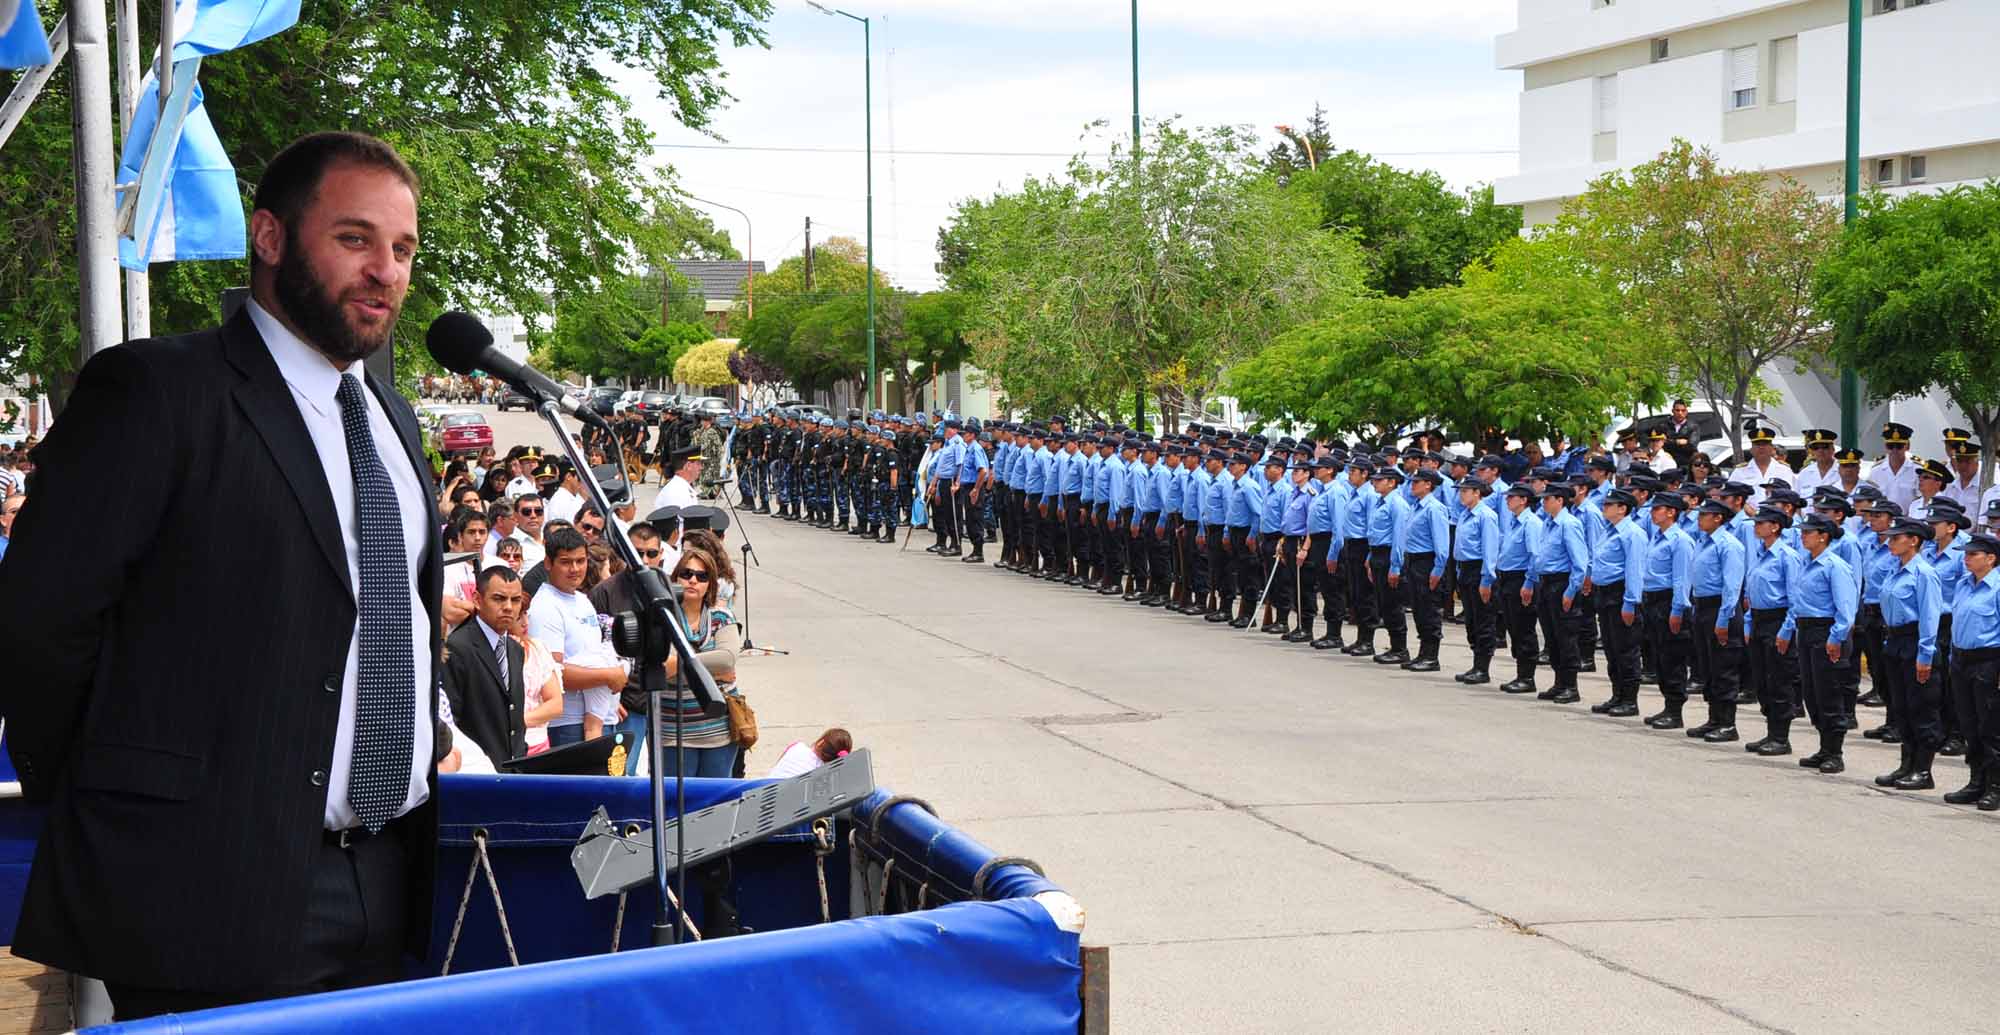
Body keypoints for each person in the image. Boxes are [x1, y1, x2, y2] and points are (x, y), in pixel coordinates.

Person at [0, 131, 441, 1018]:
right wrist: (117, 802)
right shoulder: (157, 391)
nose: (384, 271)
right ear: (270, 236)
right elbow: (38, 625)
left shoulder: (392, 417)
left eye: (401, 249)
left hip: (388, 873)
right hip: (200, 890)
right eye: (354, 238)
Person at [1776, 514, 1860, 774]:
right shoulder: (1806, 563)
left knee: (1830, 692)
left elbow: (1846, 609)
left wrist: (1836, 638)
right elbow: (1798, 602)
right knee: (1812, 694)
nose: (1803, 536)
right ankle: (1824, 747)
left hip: (1827, 631)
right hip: (1806, 630)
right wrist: (1788, 629)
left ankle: (1835, 752)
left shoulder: (1835, 566)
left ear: (1823, 536)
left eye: (1808, 532)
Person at [528, 526, 625, 746]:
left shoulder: (582, 600)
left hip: (599, 716)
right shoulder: (545, 606)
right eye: (565, 562)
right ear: (548, 563)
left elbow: (593, 655)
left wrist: (608, 698)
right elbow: (552, 675)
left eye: (580, 561)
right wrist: (608, 677)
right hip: (568, 724)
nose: (575, 569)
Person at [657, 537, 744, 778]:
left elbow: (727, 660)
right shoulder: (663, 617)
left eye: (702, 576)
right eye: (686, 574)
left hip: (719, 732)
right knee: (677, 798)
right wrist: (710, 668)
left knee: (715, 797)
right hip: (674, 731)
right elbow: (663, 669)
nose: (693, 580)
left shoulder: (721, 616)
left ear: (710, 584)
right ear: (676, 578)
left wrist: (679, 663)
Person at [1873, 516, 1944, 792]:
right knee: (1900, 707)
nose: (1890, 542)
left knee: (1921, 708)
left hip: (1916, 642)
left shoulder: (1924, 573)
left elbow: (1929, 617)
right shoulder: (1895, 570)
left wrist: (1925, 655)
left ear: (1913, 541)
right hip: (1895, 641)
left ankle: (1923, 770)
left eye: (1896, 538)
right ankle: (1907, 764)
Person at [440, 566, 530, 764]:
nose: (508, 607)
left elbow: (515, 716)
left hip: (513, 771)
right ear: (477, 600)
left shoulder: (515, 650)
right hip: (475, 770)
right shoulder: (457, 648)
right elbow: (450, 720)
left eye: (515, 600)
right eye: (499, 599)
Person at [1868, 422, 1919, 511]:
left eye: (1899, 446)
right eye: (1890, 446)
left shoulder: (1917, 470)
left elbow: (1920, 499)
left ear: (1907, 446)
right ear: (1885, 446)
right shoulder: (1876, 471)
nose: (1894, 450)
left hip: (1908, 518)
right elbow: (1870, 499)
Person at [768, 728, 855, 780]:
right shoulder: (823, 774)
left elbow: (777, 766)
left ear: (821, 742)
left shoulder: (797, 746)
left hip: (765, 787)